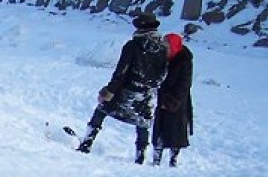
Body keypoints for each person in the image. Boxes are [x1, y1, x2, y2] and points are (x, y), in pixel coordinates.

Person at [76, 13, 168, 164]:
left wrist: (109, 91)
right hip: (146, 94)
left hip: (127, 91)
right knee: (142, 123)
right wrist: (150, 86)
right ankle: (140, 157)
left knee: (101, 111)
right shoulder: (163, 49)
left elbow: (121, 72)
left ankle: (86, 144)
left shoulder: (132, 46)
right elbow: (163, 73)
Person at [151, 33, 193, 167]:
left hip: (178, 100)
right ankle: (156, 157)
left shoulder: (184, 61)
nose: (164, 48)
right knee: (160, 128)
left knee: (176, 130)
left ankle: (173, 159)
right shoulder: (163, 58)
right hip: (162, 96)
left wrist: (172, 100)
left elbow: (185, 82)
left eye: (166, 45)